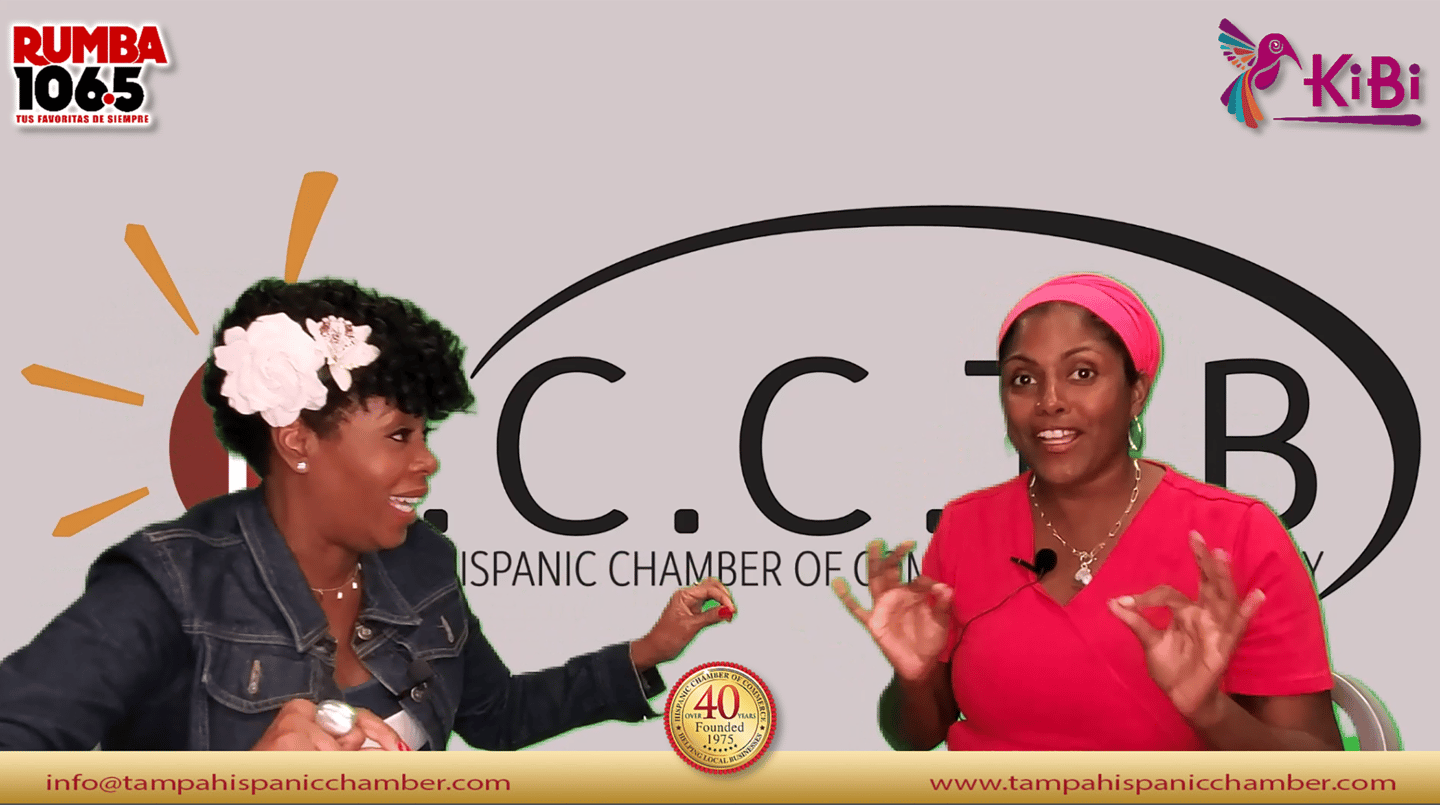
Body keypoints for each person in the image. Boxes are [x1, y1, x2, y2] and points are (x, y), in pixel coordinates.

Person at [0, 277, 736, 751]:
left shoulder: (422, 563)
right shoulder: (170, 587)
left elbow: (498, 715)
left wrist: (648, 650)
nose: (427, 462)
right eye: (398, 436)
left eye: (426, 435)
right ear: (297, 441)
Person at [833, 273, 1342, 751]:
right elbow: (915, 736)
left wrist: (1211, 712)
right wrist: (916, 678)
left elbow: (1323, 775)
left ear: (1136, 392)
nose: (1050, 401)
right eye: (1022, 379)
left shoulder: (1238, 533)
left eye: (1082, 373)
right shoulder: (966, 525)